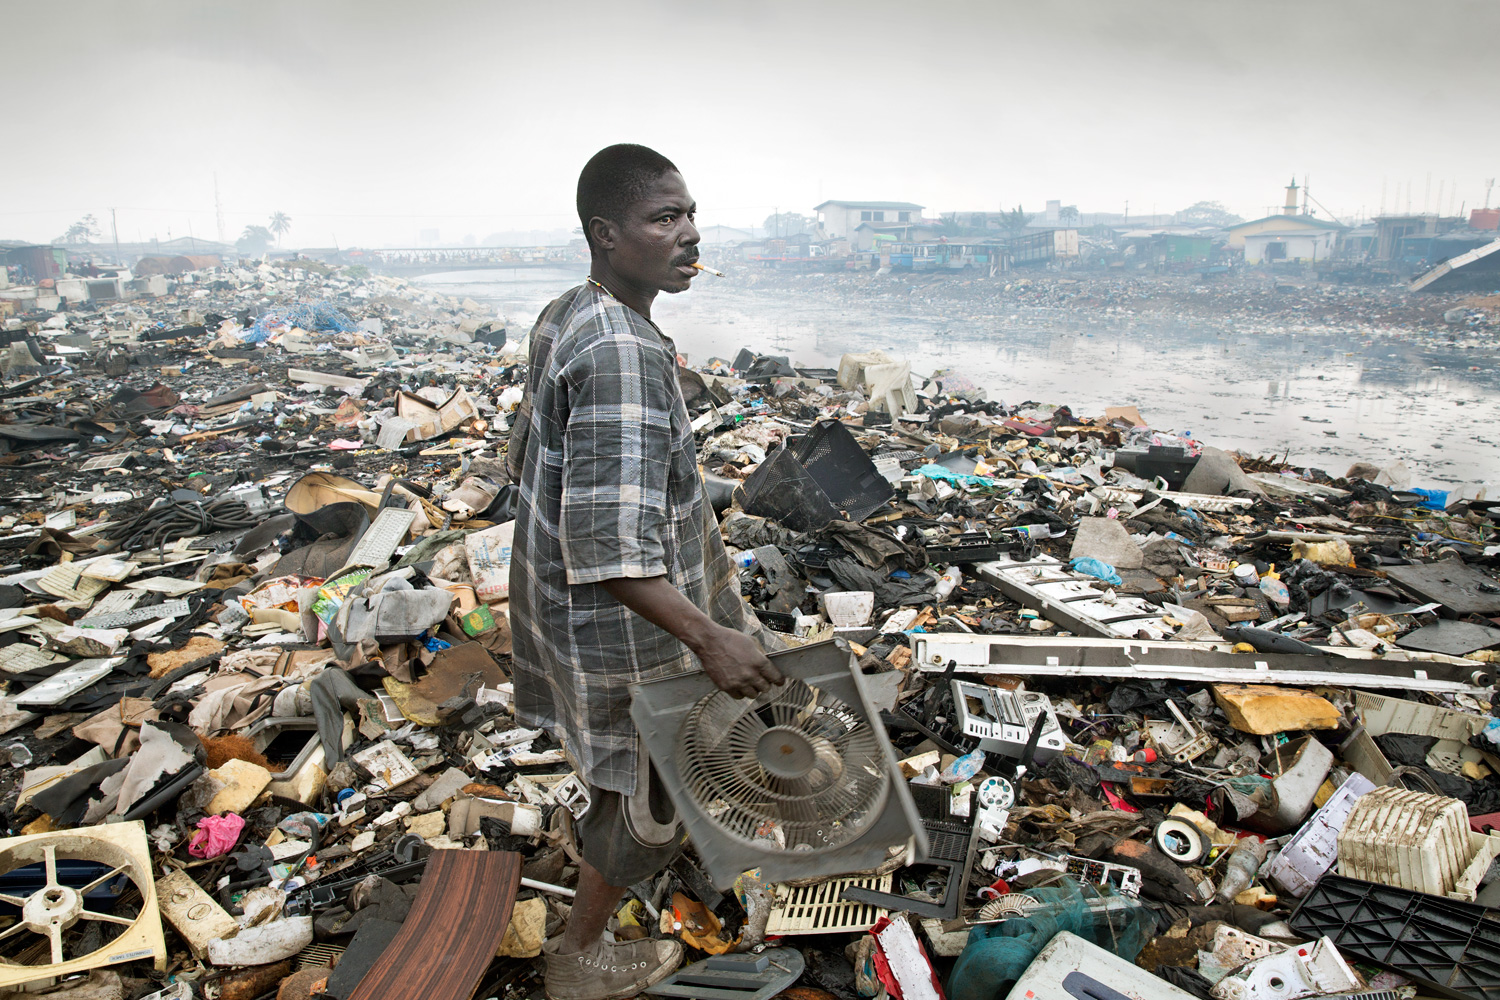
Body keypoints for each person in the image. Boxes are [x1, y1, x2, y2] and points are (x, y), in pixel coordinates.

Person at [507, 144, 784, 1000]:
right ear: (606, 234)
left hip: (565, 610)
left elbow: (530, 457)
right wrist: (711, 639)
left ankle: (606, 881)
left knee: (621, 776)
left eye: (691, 214)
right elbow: (609, 550)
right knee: (644, 792)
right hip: (624, 630)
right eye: (664, 219)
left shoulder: (572, 311)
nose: (690, 235)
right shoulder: (621, 351)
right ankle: (579, 959)